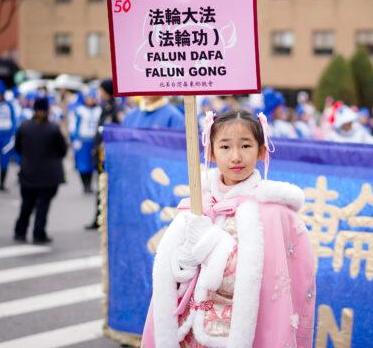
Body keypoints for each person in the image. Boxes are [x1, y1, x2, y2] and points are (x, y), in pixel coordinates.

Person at [141, 109, 316, 348]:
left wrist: (212, 244)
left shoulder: (275, 212)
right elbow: (174, 274)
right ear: (211, 152)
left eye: (245, 146)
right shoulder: (196, 205)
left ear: (262, 151)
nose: (236, 157)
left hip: (242, 333)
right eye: (225, 147)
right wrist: (183, 261)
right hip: (188, 332)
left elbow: (283, 283)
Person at [13, 97, 67, 243]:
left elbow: (18, 148)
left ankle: (20, 231)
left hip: (28, 172)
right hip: (48, 175)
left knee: (27, 204)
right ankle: (38, 233)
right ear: (48, 110)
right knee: (43, 206)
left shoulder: (24, 127)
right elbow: (62, 150)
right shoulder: (53, 129)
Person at [85, 79, 123, 230]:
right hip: (101, 155)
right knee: (101, 187)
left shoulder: (114, 109)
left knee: (108, 187)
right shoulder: (105, 107)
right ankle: (99, 218)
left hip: (109, 156)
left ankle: (105, 219)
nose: (99, 93)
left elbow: (116, 132)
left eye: (101, 90)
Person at [72, 88, 102, 193]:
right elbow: (75, 126)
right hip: (83, 140)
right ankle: (85, 184)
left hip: (94, 140)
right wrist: (75, 138)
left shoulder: (99, 110)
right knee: (83, 164)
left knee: (93, 163)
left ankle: (90, 184)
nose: (90, 100)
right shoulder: (80, 110)